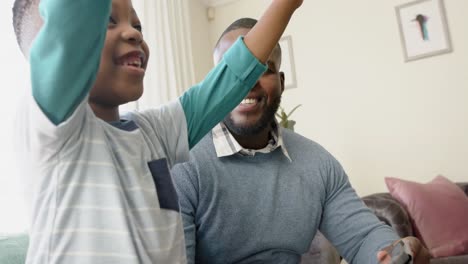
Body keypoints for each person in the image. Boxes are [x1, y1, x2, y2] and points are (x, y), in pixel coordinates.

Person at [12, 0, 303, 263]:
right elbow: (74, 19)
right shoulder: (51, 132)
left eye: (137, 25)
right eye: (108, 21)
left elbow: (231, 77)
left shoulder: (154, 132)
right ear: (47, 51)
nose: (134, 34)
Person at [171, 18, 431, 264]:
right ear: (212, 82)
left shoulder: (318, 163)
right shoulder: (181, 163)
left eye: (262, 68)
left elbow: (363, 238)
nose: (246, 82)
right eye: (231, 71)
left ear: (281, 83)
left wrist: (396, 250)